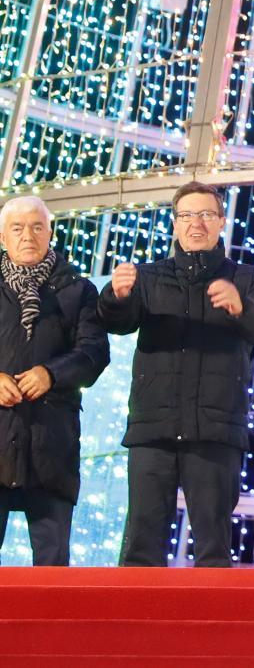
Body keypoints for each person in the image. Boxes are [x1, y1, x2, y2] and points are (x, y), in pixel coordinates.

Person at [99, 181, 254, 567]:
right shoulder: (148, 276)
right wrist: (115, 296)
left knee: (213, 547)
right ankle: (133, 624)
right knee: (141, 545)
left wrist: (241, 308)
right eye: (186, 215)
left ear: (221, 222)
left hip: (216, 428)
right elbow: (118, 323)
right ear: (175, 223)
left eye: (205, 215)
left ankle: (213, 626)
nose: (195, 223)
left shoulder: (245, 277)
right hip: (154, 427)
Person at [0, 196, 109, 565]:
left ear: (51, 232)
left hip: (53, 444)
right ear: (3, 236)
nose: (27, 235)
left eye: (36, 226)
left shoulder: (77, 290)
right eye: (17, 228)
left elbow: (94, 353)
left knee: (52, 567)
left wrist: (52, 374)